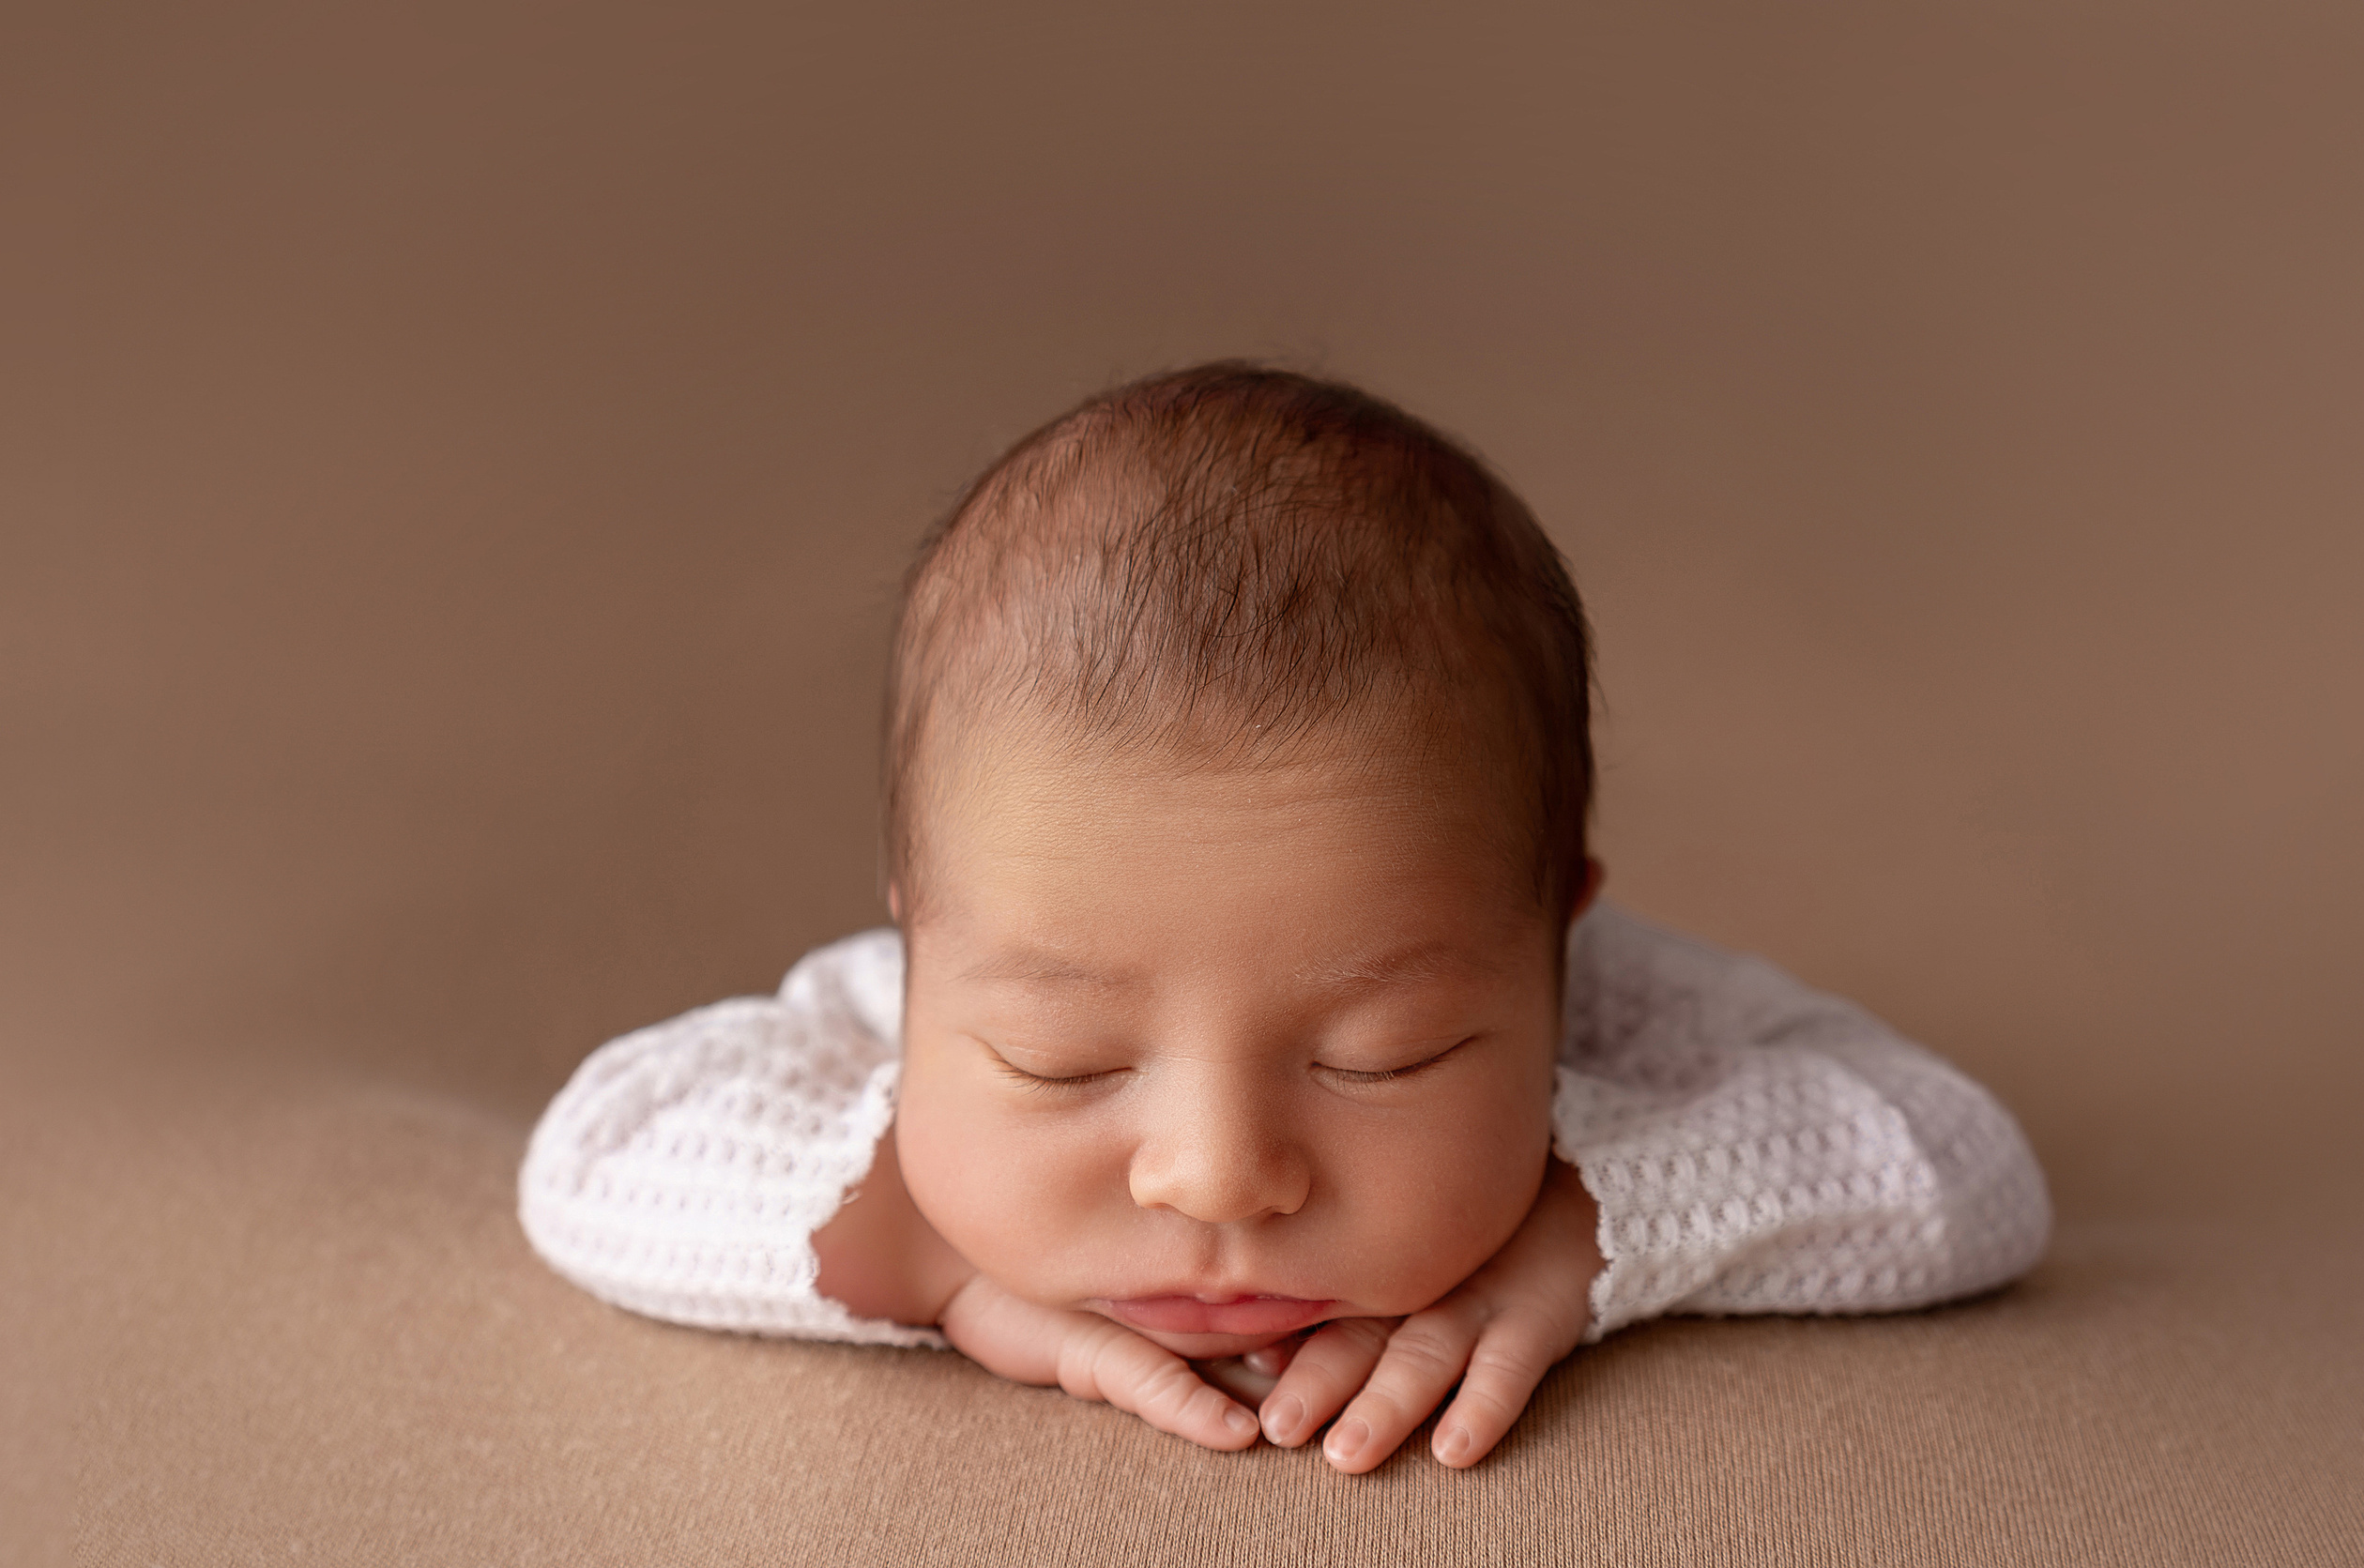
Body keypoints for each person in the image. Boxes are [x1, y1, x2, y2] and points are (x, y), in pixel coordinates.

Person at [519, 363, 2051, 1475]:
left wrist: (1592, 1233)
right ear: (924, 944)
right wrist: (931, 1254)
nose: (1220, 1174)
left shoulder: (1631, 1016)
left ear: (1554, 947)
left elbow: (1965, 1169)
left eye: (1384, 1056)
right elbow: (588, 1160)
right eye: (1060, 1061)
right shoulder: (893, 1029)